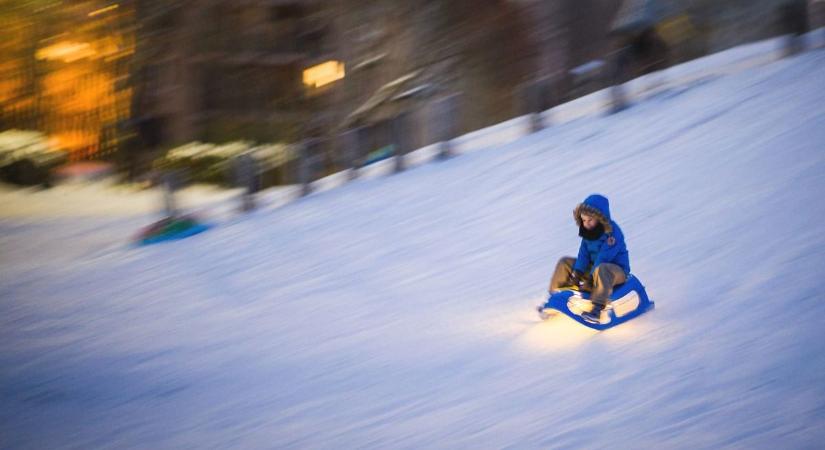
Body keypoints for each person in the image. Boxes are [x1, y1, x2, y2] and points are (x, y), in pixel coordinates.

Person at [548, 194, 630, 324]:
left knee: (602, 269)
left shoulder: (612, 234)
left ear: (600, 218)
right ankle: (555, 297)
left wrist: (590, 279)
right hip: (595, 269)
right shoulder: (588, 233)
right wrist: (577, 273)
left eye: (590, 220)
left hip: (615, 271)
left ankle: (597, 310)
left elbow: (604, 258)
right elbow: (583, 254)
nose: (586, 224)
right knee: (565, 262)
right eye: (584, 220)